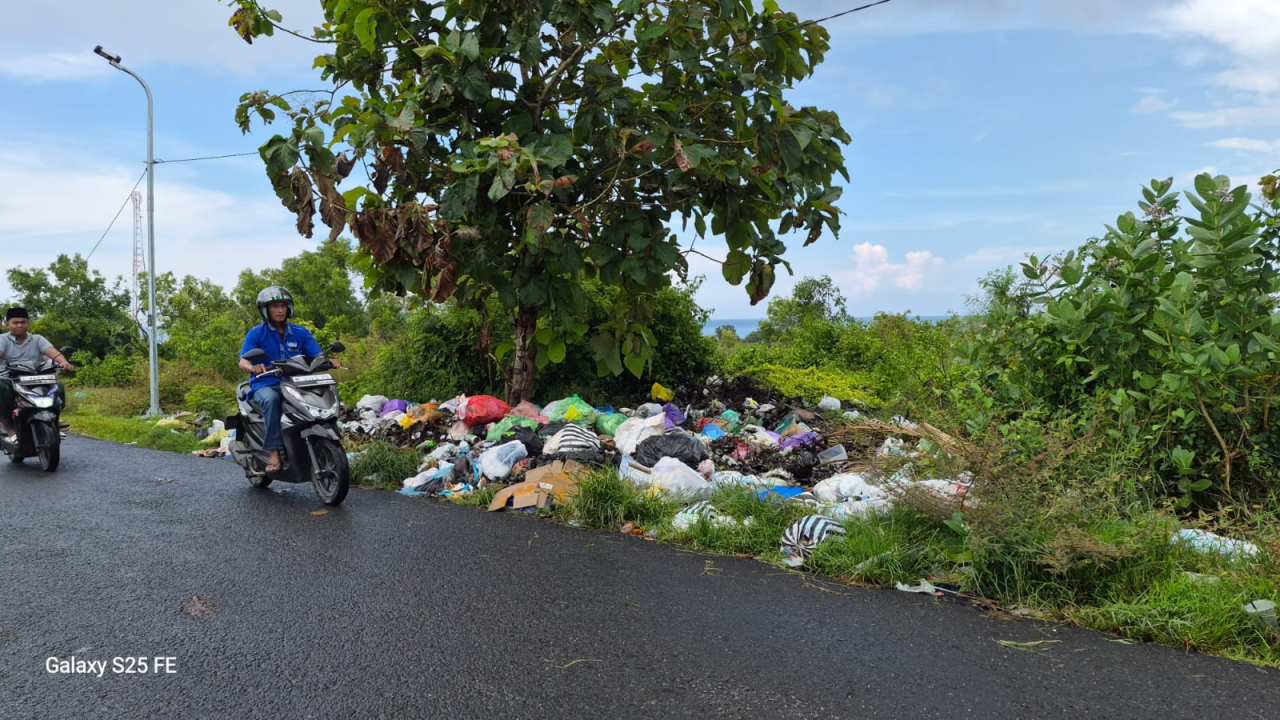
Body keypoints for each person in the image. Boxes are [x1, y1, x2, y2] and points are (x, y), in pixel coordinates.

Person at [238, 287, 340, 472]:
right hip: (266, 384)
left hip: (297, 384)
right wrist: (253, 367)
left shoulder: (300, 332)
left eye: (283, 306)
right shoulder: (256, 333)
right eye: (275, 306)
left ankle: (325, 440)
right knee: (271, 400)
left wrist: (328, 361)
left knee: (324, 394)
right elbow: (243, 361)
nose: (280, 310)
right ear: (265, 310)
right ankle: (274, 453)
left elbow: (317, 355)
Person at [0, 307, 74, 442]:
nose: (20, 325)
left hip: (36, 376)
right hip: (9, 378)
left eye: (23, 322)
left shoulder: (37, 339)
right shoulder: (3, 339)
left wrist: (64, 363)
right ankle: (11, 430)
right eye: (15, 322)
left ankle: (54, 421)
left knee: (58, 387)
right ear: (7, 324)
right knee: (1, 390)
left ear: (28, 323)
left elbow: (53, 352)